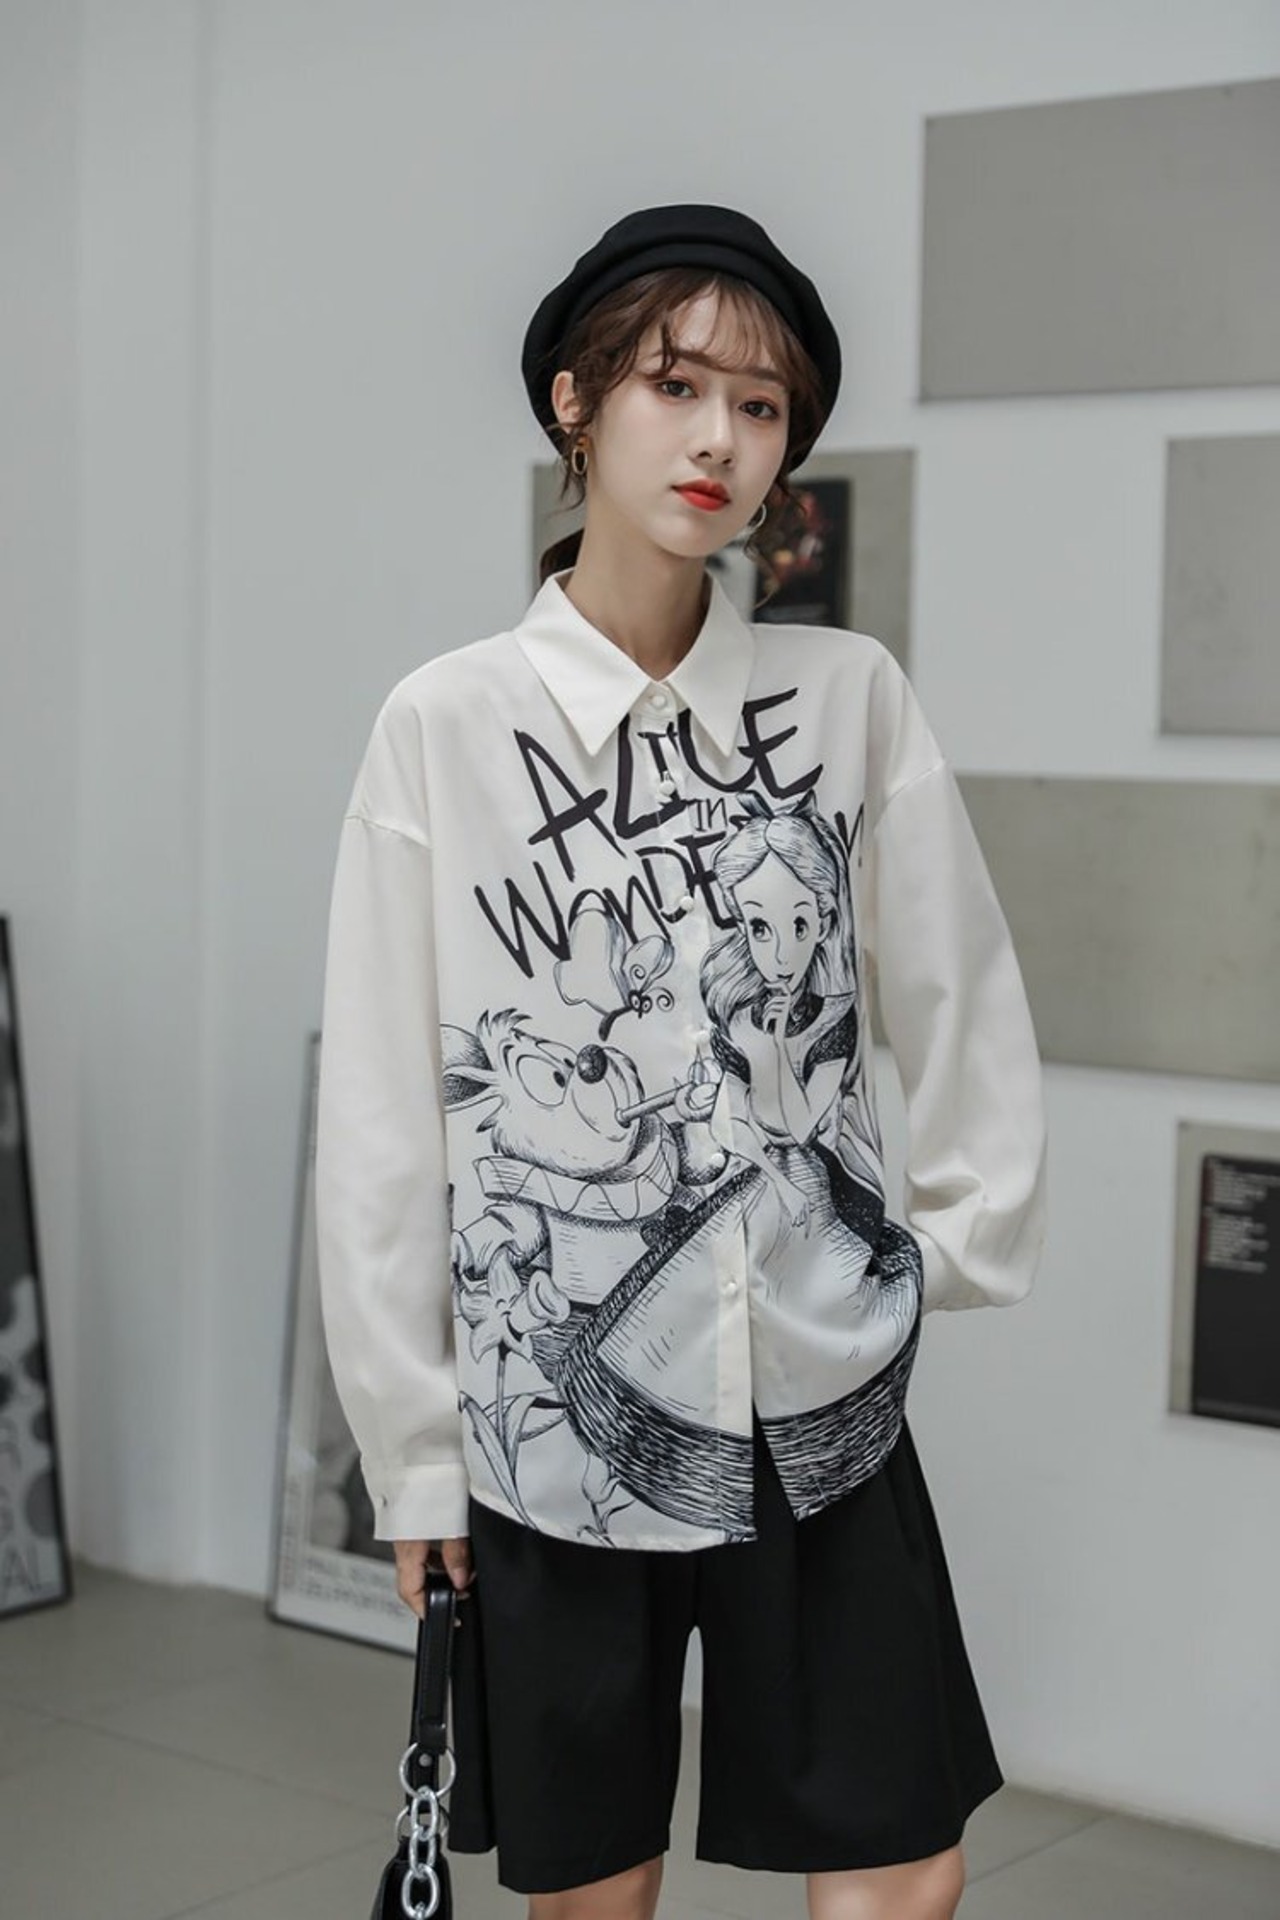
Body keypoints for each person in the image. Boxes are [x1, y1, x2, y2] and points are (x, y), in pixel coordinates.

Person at [315, 203, 1047, 1920]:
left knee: (906, 1866)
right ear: (574, 404)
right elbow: (382, 1121)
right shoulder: (445, 724)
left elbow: (961, 993)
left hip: (818, 1405)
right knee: (597, 1893)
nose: (721, 437)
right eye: (676, 385)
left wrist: (933, 1255)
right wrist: (414, 1447)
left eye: (763, 406)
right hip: (557, 1424)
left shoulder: (848, 697)